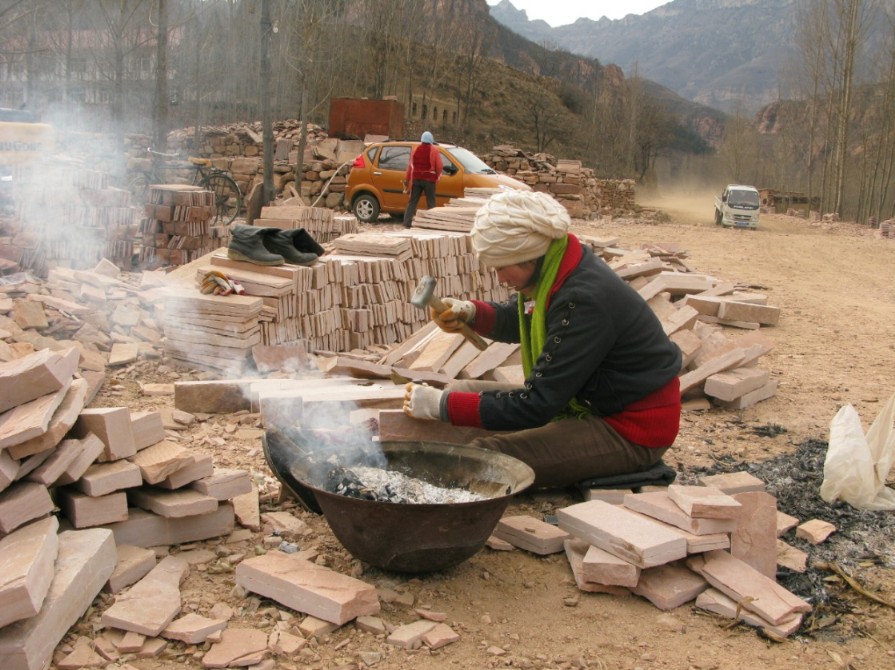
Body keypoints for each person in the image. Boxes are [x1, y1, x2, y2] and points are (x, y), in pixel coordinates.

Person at [402, 189, 682, 488]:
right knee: (462, 389)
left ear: (528, 257)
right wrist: (471, 312)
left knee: (484, 458)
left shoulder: (583, 300)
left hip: (631, 428)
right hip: (588, 403)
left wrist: (441, 405)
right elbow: (522, 318)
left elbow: (536, 404)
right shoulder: (560, 266)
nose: (499, 279)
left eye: (501, 268)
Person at [402, 131, 443, 228]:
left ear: (422, 140)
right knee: (431, 202)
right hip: (429, 180)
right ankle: (432, 224)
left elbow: (410, 167)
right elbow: (439, 166)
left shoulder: (415, 150)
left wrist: (407, 179)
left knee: (412, 201)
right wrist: (437, 175)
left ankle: (407, 223)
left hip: (416, 179)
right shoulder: (434, 150)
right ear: (431, 140)